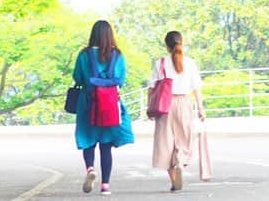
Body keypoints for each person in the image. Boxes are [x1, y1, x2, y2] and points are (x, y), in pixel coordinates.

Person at [73, 20, 134, 195]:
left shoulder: (84, 55)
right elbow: (121, 80)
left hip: (88, 102)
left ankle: (90, 169)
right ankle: (105, 186)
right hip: (110, 104)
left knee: (88, 139)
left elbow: (77, 78)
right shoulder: (118, 55)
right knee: (106, 146)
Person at [148, 30, 205, 192]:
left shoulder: (160, 63)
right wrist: (201, 108)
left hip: (164, 105)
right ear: (182, 42)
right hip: (184, 103)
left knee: (165, 142)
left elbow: (151, 88)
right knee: (184, 139)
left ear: (166, 45)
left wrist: (149, 107)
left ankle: (174, 181)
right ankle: (180, 162)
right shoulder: (190, 63)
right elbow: (196, 87)